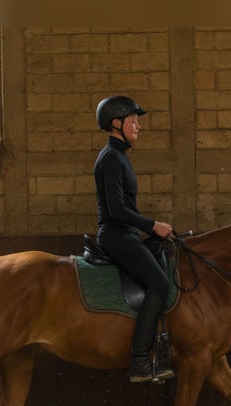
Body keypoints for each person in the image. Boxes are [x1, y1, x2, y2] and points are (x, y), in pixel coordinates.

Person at [94, 95, 175, 383]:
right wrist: (152, 225)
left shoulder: (120, 156)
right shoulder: (112, 158)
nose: (138, 126)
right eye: (134, 121)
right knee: (160, 283)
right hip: (116, 237)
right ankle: (140, 360)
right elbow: (117, 209)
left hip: (125, 234)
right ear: (117, 123)